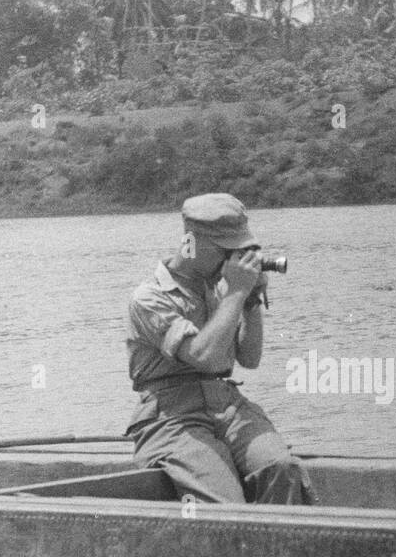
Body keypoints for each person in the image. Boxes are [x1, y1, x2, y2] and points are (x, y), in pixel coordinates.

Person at [124, 193, 314, 505]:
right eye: (225, 250)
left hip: (226, 404)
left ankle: (276, 550)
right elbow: (203, 356)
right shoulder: (149, 297)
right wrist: (236, 292)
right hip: (171, 416)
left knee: (282, 469)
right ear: (191, 242)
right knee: (224, 503)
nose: (233, 259)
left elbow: (249, 359)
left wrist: (251, 301)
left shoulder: (219, 288)